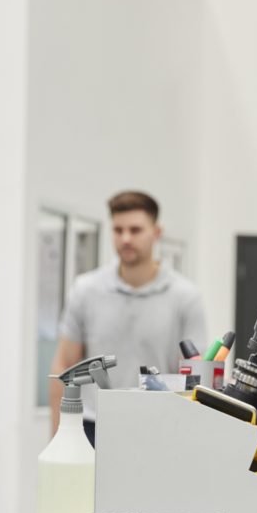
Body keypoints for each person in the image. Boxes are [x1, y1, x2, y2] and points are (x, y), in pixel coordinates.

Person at [49, 190, 208, 443]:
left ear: (156, 233)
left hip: (160, 428)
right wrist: (58, 441)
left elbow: (195, 380)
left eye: (135, 230)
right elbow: (62, 370)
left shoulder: (185, 297)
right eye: (118, 230)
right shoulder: (86, 290)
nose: (125, 238)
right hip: (92, 429)